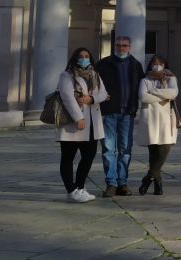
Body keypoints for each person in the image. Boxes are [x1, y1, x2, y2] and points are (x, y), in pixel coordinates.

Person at [57, 47, 109, 203]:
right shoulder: (66, 75)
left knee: (88, 156)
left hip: (92, 122)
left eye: (87, 56)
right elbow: (67, 98)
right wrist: (78, 117)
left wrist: (91, 99)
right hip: (73, 123)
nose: (84, 59)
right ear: (75, 58)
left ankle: (80, 187)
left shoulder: (95, 75)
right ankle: (71, 190)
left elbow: (103, 94)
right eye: (81, 56)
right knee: (68, 157)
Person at [96, 36, 145, 197]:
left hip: (127, 114)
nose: (121, 48)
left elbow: (143, 84)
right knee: (108, 149)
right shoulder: (103, 64)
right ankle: (111, 183)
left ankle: (122, 183)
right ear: (114, 46)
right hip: (109, 112)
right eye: (118, 45)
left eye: (124, 46)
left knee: (125, 149)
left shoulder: (135, 65)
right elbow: (94, 84)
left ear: (129, 47)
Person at [135, 55, 179, 196]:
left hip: (167, 119)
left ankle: (148, 178)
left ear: (165, 64)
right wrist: (162, 95)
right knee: (153, 152)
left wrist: (153, 92)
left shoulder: (171, 78)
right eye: (155, 63)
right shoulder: (145, 80)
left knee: (164, 149)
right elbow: (143, 97)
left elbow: (173, 93)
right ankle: (158, 184)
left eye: (160, 63)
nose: (157, 65)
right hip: (151, 119)